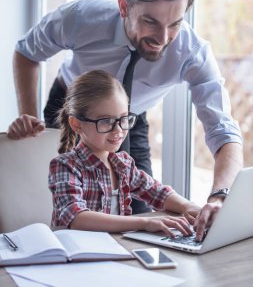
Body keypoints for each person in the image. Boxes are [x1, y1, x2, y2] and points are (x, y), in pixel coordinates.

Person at [8, 0, 243, 237]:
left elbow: (222, 129)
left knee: (142, 211)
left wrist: (218, 197)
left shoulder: (193, 53)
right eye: (150, 21)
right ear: (124, 6)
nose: (163, 37)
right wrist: (30, 116)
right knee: (50, 199)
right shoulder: (81, 17)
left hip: (132, 116)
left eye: (175, 24)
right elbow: (26, 52)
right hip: (73, 105)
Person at [48, 70, 201, 236]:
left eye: (123, 118)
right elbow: (77, 218)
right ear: (77, 124)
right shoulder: (65, 166)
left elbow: (158, 193)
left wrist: (191, 207)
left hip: (114, 250)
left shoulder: (123, 164)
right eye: (106, 121)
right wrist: (145, 222)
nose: (118, 130)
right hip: (74, 256)